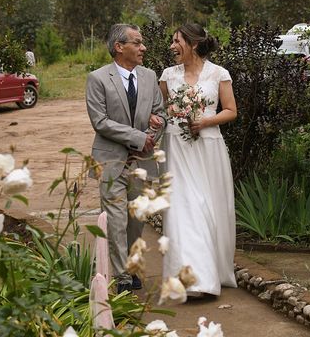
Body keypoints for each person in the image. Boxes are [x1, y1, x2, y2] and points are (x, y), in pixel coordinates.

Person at [86, 23, 166, 294]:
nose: (143, 47)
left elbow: (160, 114)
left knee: (136, 219)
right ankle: (121, 277)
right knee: (116, 219)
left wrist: (154, 128)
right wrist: (137, 137)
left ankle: (131, 267)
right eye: (137, 42)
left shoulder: (149, 76)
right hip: (111, 161)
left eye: (142, 43)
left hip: (142, 162)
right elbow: (100, 122)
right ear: (119, 47)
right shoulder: (97, 79)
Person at [159, 22, 238, 298]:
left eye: (176, 41)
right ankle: (192, 281)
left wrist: (205, 121)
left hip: (208, 150)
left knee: (209, 210)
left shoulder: (219, 73)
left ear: (193, 44)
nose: (172, 46)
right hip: (177, 149)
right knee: (183, 209)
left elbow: (230, 111)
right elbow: (161, 112)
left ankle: (210, 271)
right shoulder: (168, 75)